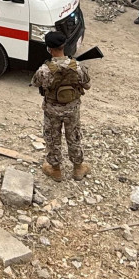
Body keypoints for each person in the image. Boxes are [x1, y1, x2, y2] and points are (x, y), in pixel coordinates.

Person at [32, 30, 91, 182]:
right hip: (72, 109)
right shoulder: (77, 67)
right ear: (64, 46)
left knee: (53, 137)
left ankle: (55, 170)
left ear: (49, 48)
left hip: (52, 110)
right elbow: (88, 85)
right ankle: (78, 168)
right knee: (74, 136)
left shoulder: (44, 70)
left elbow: (35, 83)